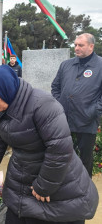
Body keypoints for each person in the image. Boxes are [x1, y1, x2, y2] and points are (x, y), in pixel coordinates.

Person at [0, 65, 98, 224]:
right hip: (21, 174)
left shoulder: (43, 105)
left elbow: (60, 150)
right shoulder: (3, 106)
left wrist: (44, 186)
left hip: (55, 180)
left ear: (6, 90)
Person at [51, 33, 102, 177]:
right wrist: (59, 104)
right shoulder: (66, 65)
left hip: (86, 121)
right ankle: (68, 187)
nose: (76, 48)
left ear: (91, 46)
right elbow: (55, 87)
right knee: (64, 156)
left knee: (85, 159)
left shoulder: (100, 65)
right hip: (65, 119)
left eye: (81, 45)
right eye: (75, 45)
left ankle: (86, 191)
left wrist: (93, 111)